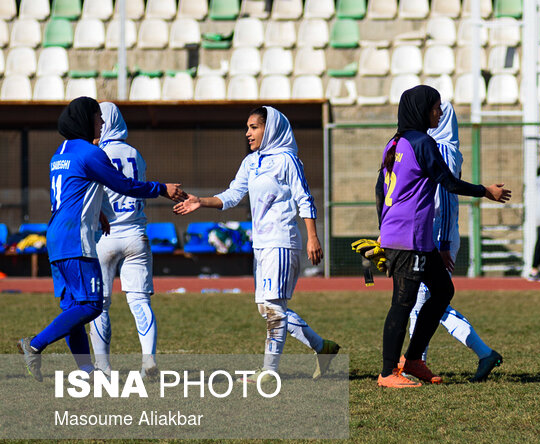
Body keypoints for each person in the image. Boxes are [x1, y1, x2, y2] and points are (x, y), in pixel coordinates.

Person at [17, 97, 185, 381]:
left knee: (73, 307)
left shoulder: (60, 153)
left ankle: (88, 371)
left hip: (57, 234)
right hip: (77, 238)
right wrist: (161, 188)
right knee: (93, 305)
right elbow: (124, 185)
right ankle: (35, 344)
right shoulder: (90, 153)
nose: (102, 123)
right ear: (85, 119)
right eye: (98, 117)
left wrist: (98, 214)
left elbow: (74, 191)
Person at [173, 106, 340, 382]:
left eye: (254, 127)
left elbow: (304, 199)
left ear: (270, 128)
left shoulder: (287, 160)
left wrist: (312, 236)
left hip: (283, 241)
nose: (248, 133)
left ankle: (269, 372)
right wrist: (200, 201)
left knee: (273, 306)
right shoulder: (251, 162)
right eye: (247, 127)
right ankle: (323, 347)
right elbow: (232, 194)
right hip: (261, 244)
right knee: (267, 308)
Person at [376, 85, 511, 388]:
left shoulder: (394, 142)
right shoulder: (422, 142)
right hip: (407, 237)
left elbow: (379, 188)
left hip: (415, 237)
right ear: (422, 110)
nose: (439, 112)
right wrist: (485, 191)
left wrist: (382, 229)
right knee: (403, 301)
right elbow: (448, 183)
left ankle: (412, 360)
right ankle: (387, 373)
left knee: (442, 291)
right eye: (435, 107)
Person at [405, 101, 504, 382]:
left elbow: (447, 200)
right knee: (427, 303)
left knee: (425, 301)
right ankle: (483, 354)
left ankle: (415, 362)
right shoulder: (435, 146)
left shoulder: (444, 150)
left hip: (438, 235)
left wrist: (445, 242)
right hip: (432, 233)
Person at [89, 102, 161, 381]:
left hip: (105, 236)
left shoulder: (97, 153)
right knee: (140, 301)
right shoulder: (135, 154)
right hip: (136, 234)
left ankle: (103, 368)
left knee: (99, 304)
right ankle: (148, 359)